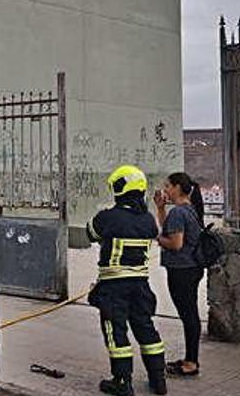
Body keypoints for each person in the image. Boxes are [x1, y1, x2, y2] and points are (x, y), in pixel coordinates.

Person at [87, 165, 167, 396]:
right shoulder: (149, 221)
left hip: (114, 288)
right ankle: (158, 379)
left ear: (120, 188)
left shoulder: (107, 217)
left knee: (116, 332)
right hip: (141, 285)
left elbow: (90, 233)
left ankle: (122, 382)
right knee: (146, 328)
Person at [154, 172, 205, 377]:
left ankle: (191, 362)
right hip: (191, 268)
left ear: (177, 187)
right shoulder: (188, 210)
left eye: (168, 186)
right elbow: (171, 230)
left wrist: (156, 237)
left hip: (182, 270)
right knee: (190, 314)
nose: (165, 190)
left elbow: (175, 243)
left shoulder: (178, 213)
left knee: (189, 315)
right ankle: (190, 359)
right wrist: (160, 208)